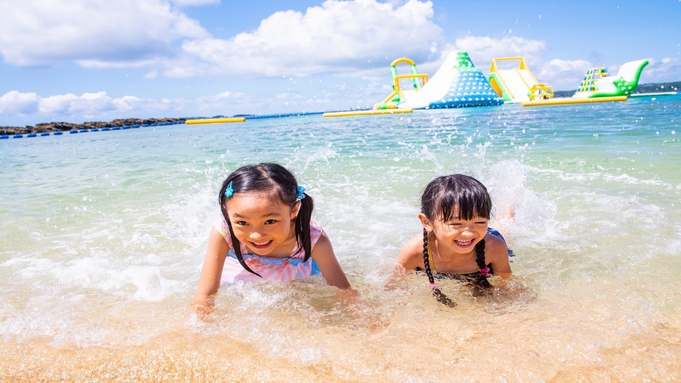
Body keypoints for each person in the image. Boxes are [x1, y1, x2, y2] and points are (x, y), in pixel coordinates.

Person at [192, 163, 351, 314]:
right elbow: (204, 295)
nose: (256, 235)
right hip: (241, 269)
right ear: (228, 214)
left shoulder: (313, 238)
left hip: (295, 269)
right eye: (242, 222)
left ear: (294, 210)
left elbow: (344, 291)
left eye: (270, 221)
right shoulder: (224, 231)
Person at [396, 174, 514, 307]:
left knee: (504, 232)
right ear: (427, 222)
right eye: (456, 224)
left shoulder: (494, 247)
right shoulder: (414, 251)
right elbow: (394, 288)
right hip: (478, 238)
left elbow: (506, 282)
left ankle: (507, 211)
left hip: (483, 239)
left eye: (481, 221)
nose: (468, 233)